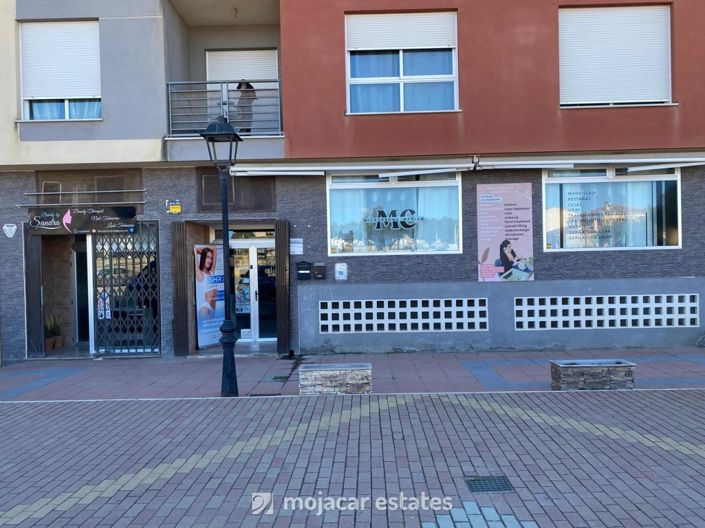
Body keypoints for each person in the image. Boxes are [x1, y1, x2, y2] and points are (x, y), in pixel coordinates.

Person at [195, 247, 218, 319]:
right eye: (207, 257)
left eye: (211, 258)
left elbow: (215, 249)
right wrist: (200, 251)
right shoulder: (200, 274)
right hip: (205, 309)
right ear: (203, 258)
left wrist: (202, 249)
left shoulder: (211, 272)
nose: (210, 260)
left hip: (213, 309)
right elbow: (194, 249)